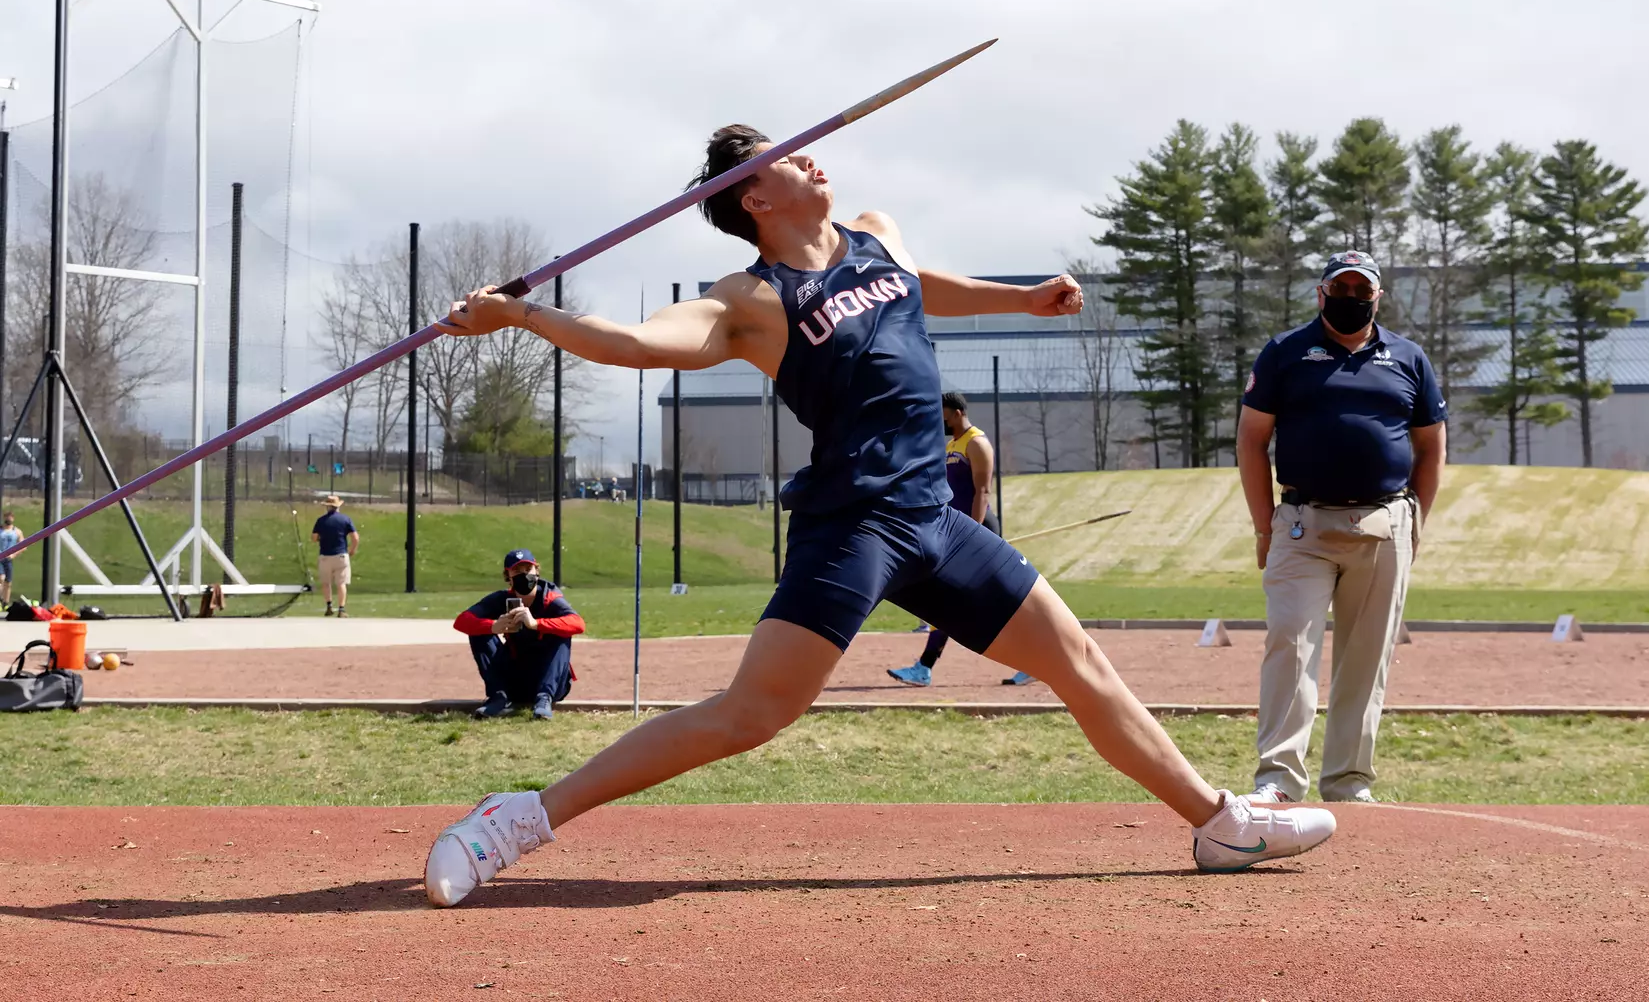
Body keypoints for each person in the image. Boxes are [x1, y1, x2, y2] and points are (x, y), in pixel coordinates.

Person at [422, 124, 1336, 908]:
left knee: (1079, 660)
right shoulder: (750, 303)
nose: (815, 162)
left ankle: (1221, 824)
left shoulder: (876, 238)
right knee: (752, 714)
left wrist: (1019, 299)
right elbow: (632, 344)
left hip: (934, 518)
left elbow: (919, 286)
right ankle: (522, 817)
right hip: (852, 526)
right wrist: (523, 317)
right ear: (753, 201)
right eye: (790, 159)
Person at [1236, 251, 1447, 805]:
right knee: (1290, 644)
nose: (1350, 298)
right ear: (1321, 292)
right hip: (1303, 525)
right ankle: (1278, 780)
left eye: (1362, 290)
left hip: (1385, 523)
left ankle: (1348, 781)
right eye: (1341, 287)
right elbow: (1251, 439)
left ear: (1378, 296)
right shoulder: (1285, 353)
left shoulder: (1409, 357)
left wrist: (1414, 522)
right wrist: (1265, 526)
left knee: (1366, 656)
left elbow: (1431, 445)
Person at [886, 391, 1010, 686]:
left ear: (955, 412)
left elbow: (982, 491)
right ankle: (924, 668)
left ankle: (924, 667)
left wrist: (974, 533)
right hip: (957, 531)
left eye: (941, 413)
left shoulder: (977, 443)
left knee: (962, 601)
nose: (938, 420)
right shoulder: (952, 445)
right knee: (973, 602)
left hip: (977, 530)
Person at [452, 548, 584, 720]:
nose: (523, 575)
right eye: (516, 571)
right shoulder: (501, 599)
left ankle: (544, 699)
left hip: (550, 681)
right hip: (515, 679)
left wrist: (536, 624)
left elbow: (578, 623)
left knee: (563, 632)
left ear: (536, 571)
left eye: (527, 570)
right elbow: (462, 621)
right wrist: (493, 626)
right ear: (508, 576)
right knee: (478, 631)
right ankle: (498, 697)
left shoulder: (550, 599)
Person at [310, 495, 359, 617]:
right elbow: (355, 537)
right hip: (341, 554)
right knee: (341, 583)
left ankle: (329, 606)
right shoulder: (345, 519)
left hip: (325, 555)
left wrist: (323, 537)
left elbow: (314, 538)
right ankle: (341, 609)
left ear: (327, 507)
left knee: (326, 583)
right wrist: (352, 549)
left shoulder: (321, 520)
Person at [0, 512, 22, 607]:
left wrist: (14, 555)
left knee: (8, 582)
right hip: (0, 557)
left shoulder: (16, 531)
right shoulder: (0, 530)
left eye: (10, 517)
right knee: (1, 578)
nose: (8, 519)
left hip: (8, 558)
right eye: (7, 517)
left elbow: (22, 545)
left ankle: (5, 602)